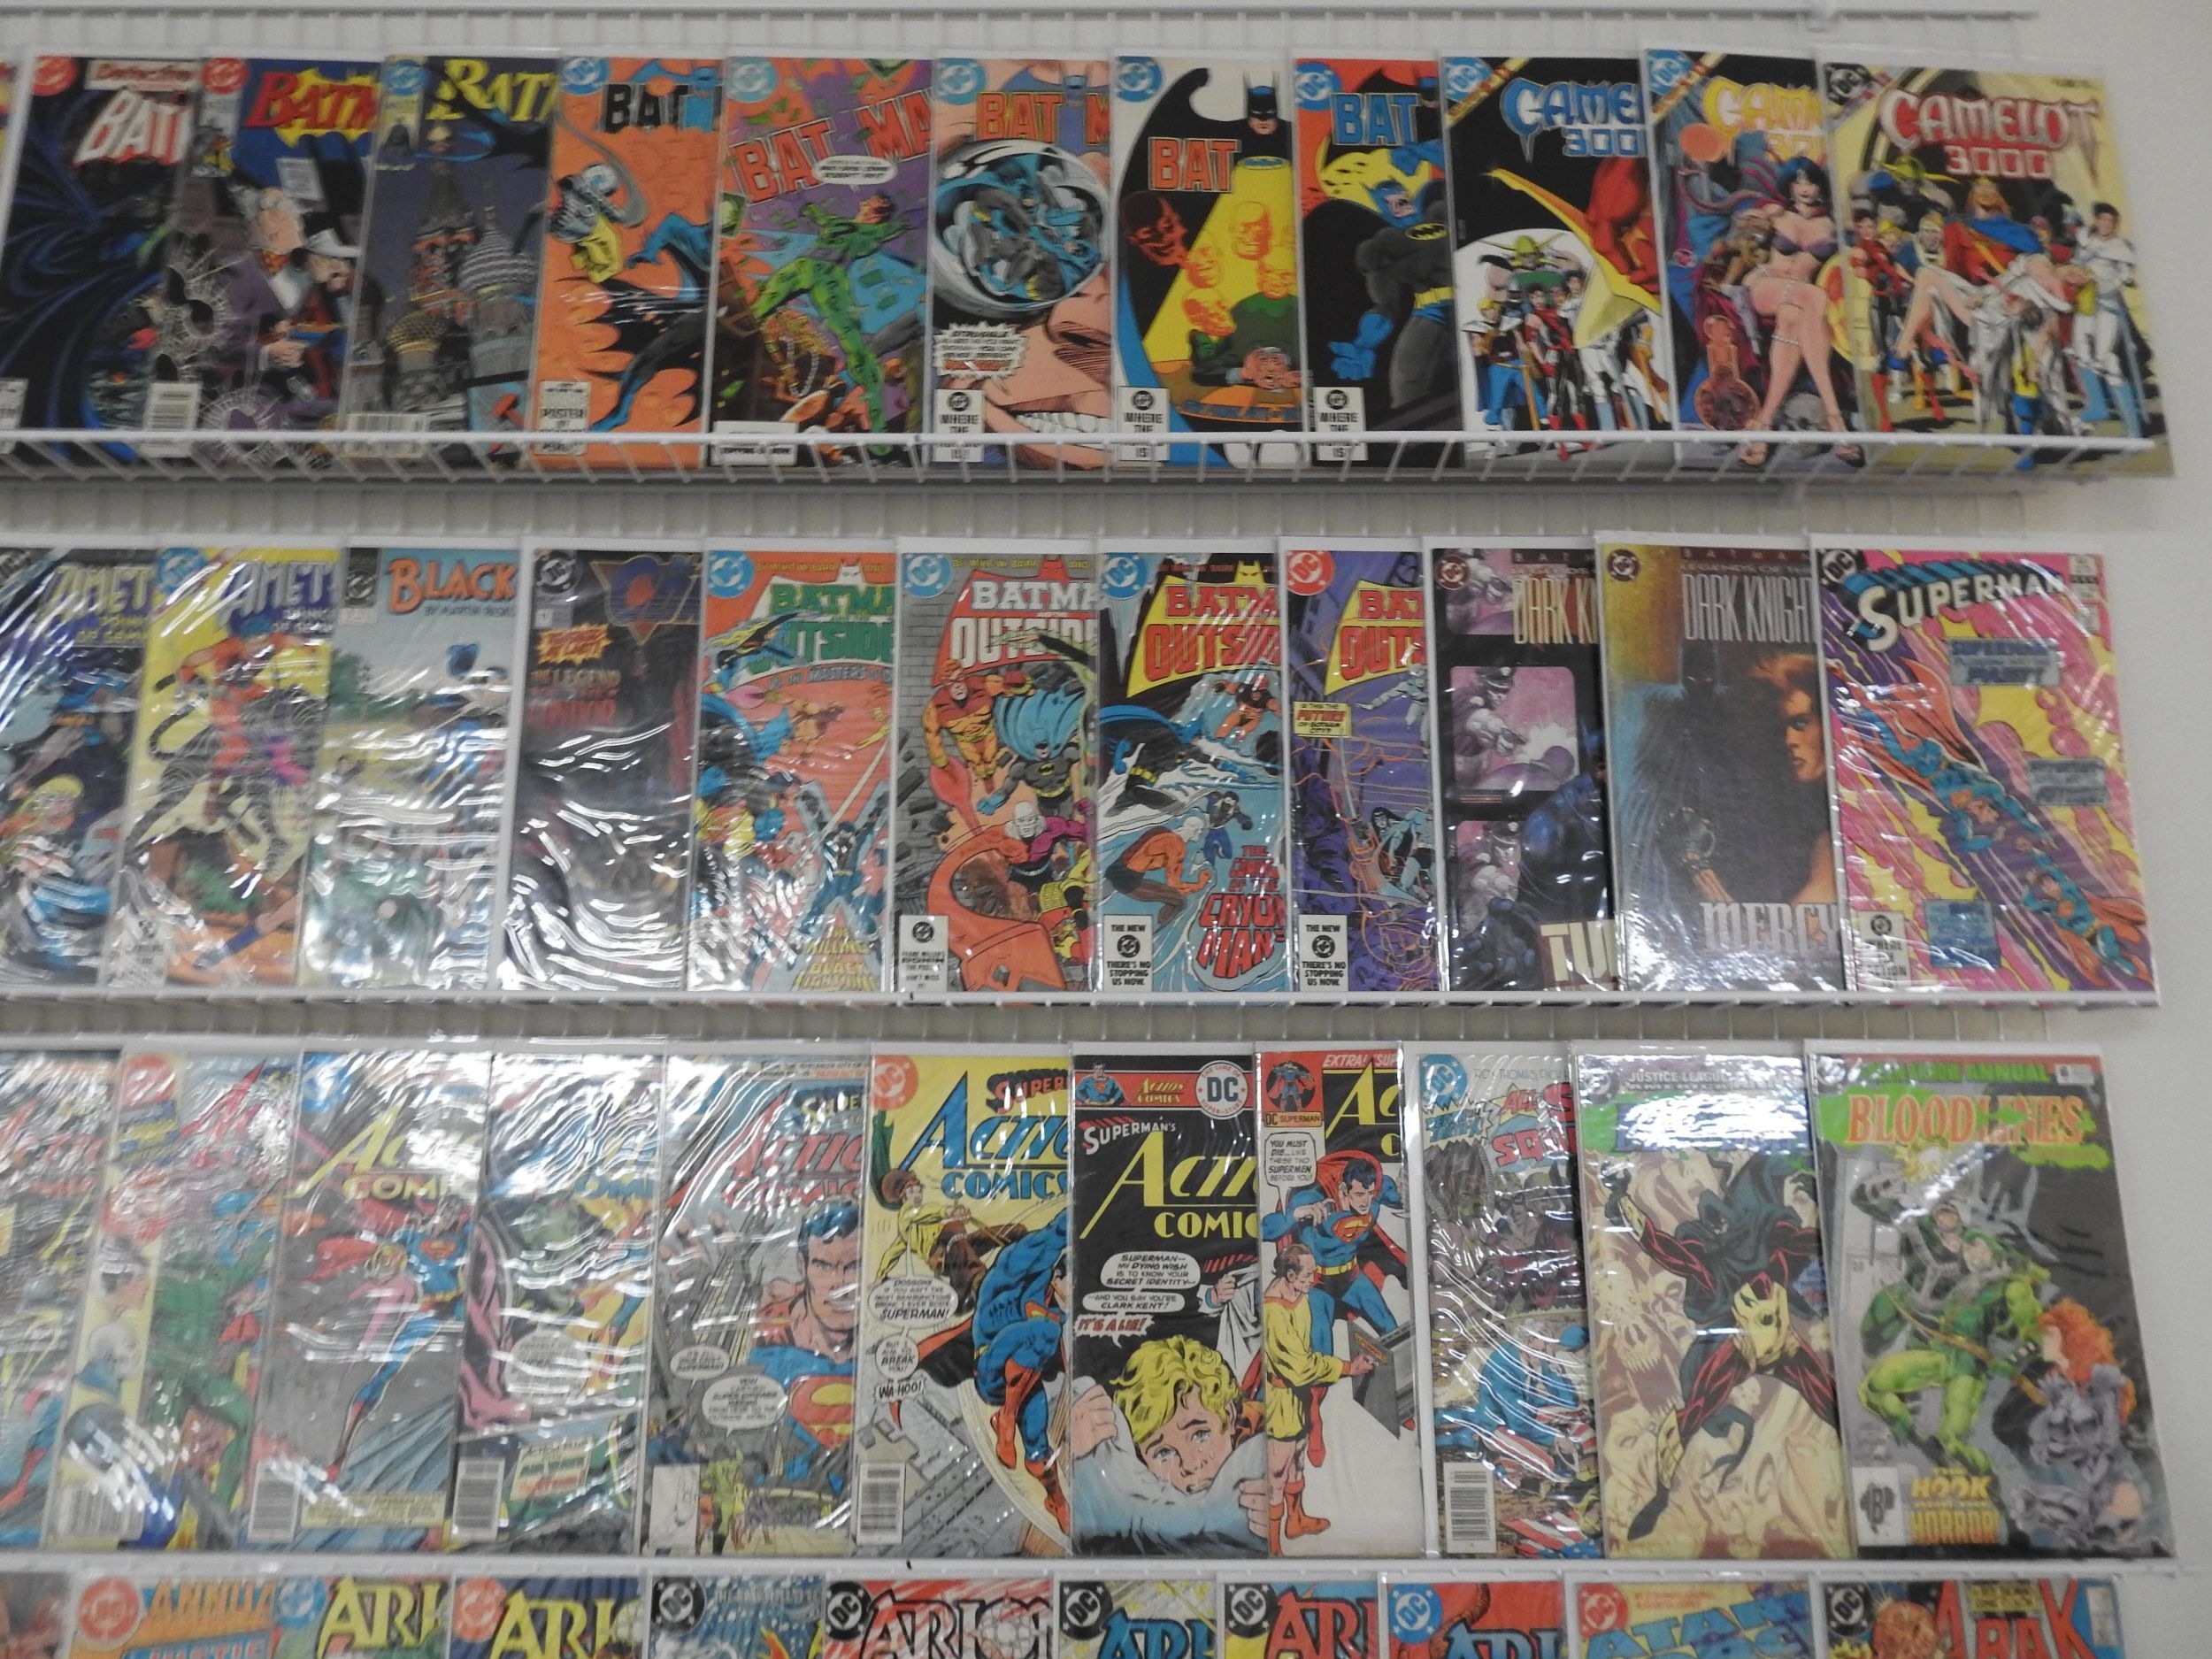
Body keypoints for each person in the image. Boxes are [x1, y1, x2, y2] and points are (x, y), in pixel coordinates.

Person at [1067, 1333, 1268, 1553]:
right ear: (1141, 1459)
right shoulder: (1139, 1504)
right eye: (1163, 1453)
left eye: (1200, 1435)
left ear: (1228, 1416)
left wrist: (1280, 1521)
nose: (1190, 1466)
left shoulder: (1266, 1451)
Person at [1259, 1240, 1371, 1550]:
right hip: (1282, 1399)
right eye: (1308, 1274)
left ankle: (1295, 1521)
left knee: (1297, 1459)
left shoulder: (1299, 1295)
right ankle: (1273, 1546)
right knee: (1278, 1472)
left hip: (1299, 1396)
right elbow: (1300, 1367)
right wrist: (1347, 1368)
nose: (1314, 1278)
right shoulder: (1274, 1311)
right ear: (1290, 1276)